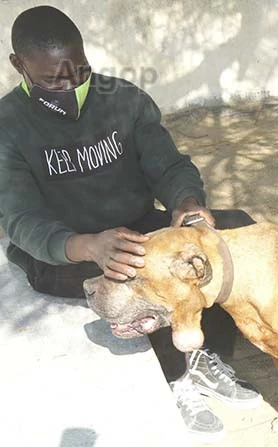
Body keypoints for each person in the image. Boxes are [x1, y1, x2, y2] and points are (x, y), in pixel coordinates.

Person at [0, 6, 261, 443]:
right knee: (135, 271)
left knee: (231, 234)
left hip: (139, 228)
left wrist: (187, 205)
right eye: (52, 80)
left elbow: (169, 165)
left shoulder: (123, 99)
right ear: (18, 66)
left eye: (79, 72)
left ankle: (206, 359)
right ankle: (177, 379)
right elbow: (22, 220)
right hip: (63, 251)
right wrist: (88, 245)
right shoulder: (8, 125)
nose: (70, 87)